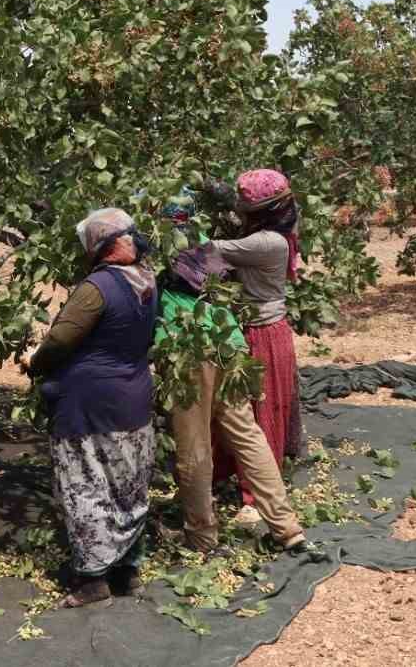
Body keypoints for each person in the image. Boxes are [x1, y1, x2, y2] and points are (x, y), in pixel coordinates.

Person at [19, 207, 158, 608]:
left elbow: (61, 340)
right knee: (128, 484)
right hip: (134, 395)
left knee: (86, 484)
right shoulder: (146, 279)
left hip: (91, 401)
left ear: (100, 246)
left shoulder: (96, 287)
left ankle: (93, 579)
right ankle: (127, 571)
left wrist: (34, 361)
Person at [158, 194, 310, 555]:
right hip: (228, 339)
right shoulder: (214, 253)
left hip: (188, 346)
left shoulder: (169, 254)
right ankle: (287, 527)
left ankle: (201, 537)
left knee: (193, 446)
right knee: (246, 433)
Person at [210, 169, 304, 515]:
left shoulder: (265, 243)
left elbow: (206, 251)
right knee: (240, 410)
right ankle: (234, 477)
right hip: (257, 329)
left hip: (263, 334)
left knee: (258, 414)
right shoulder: (279, 231)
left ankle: (257, 498)